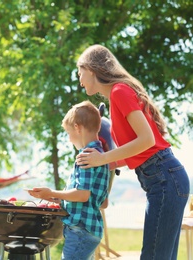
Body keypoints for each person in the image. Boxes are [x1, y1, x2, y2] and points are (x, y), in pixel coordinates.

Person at [75, 44, 190, 260]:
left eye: (80, 72)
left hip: (166, 180)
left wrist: (103, 157)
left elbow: (147, 140)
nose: (79, 79)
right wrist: (106, 163)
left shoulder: (119, 91)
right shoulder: (116, 96)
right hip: (164, 180)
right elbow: (138, 151)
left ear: (91, 70)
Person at [27, 100, 110, 260]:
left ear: (77, 128)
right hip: (91, 230)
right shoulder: (101, 156)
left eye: (68, 132)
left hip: (80, 230)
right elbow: (101, 202)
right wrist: (57, 198)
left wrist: (52, 191)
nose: (69, 139)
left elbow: (82, 195)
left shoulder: (86, 156)